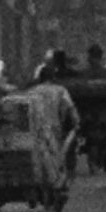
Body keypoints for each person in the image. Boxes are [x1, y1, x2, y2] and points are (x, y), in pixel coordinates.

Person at [29, 64, 81, 193]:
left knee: (39, 155)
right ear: (54, 77)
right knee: (56, 155)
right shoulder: (60, 90)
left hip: (35, 128)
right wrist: (76, 123)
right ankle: (56, 182)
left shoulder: (32, 91)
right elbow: (70, 108)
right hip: (54, 127)